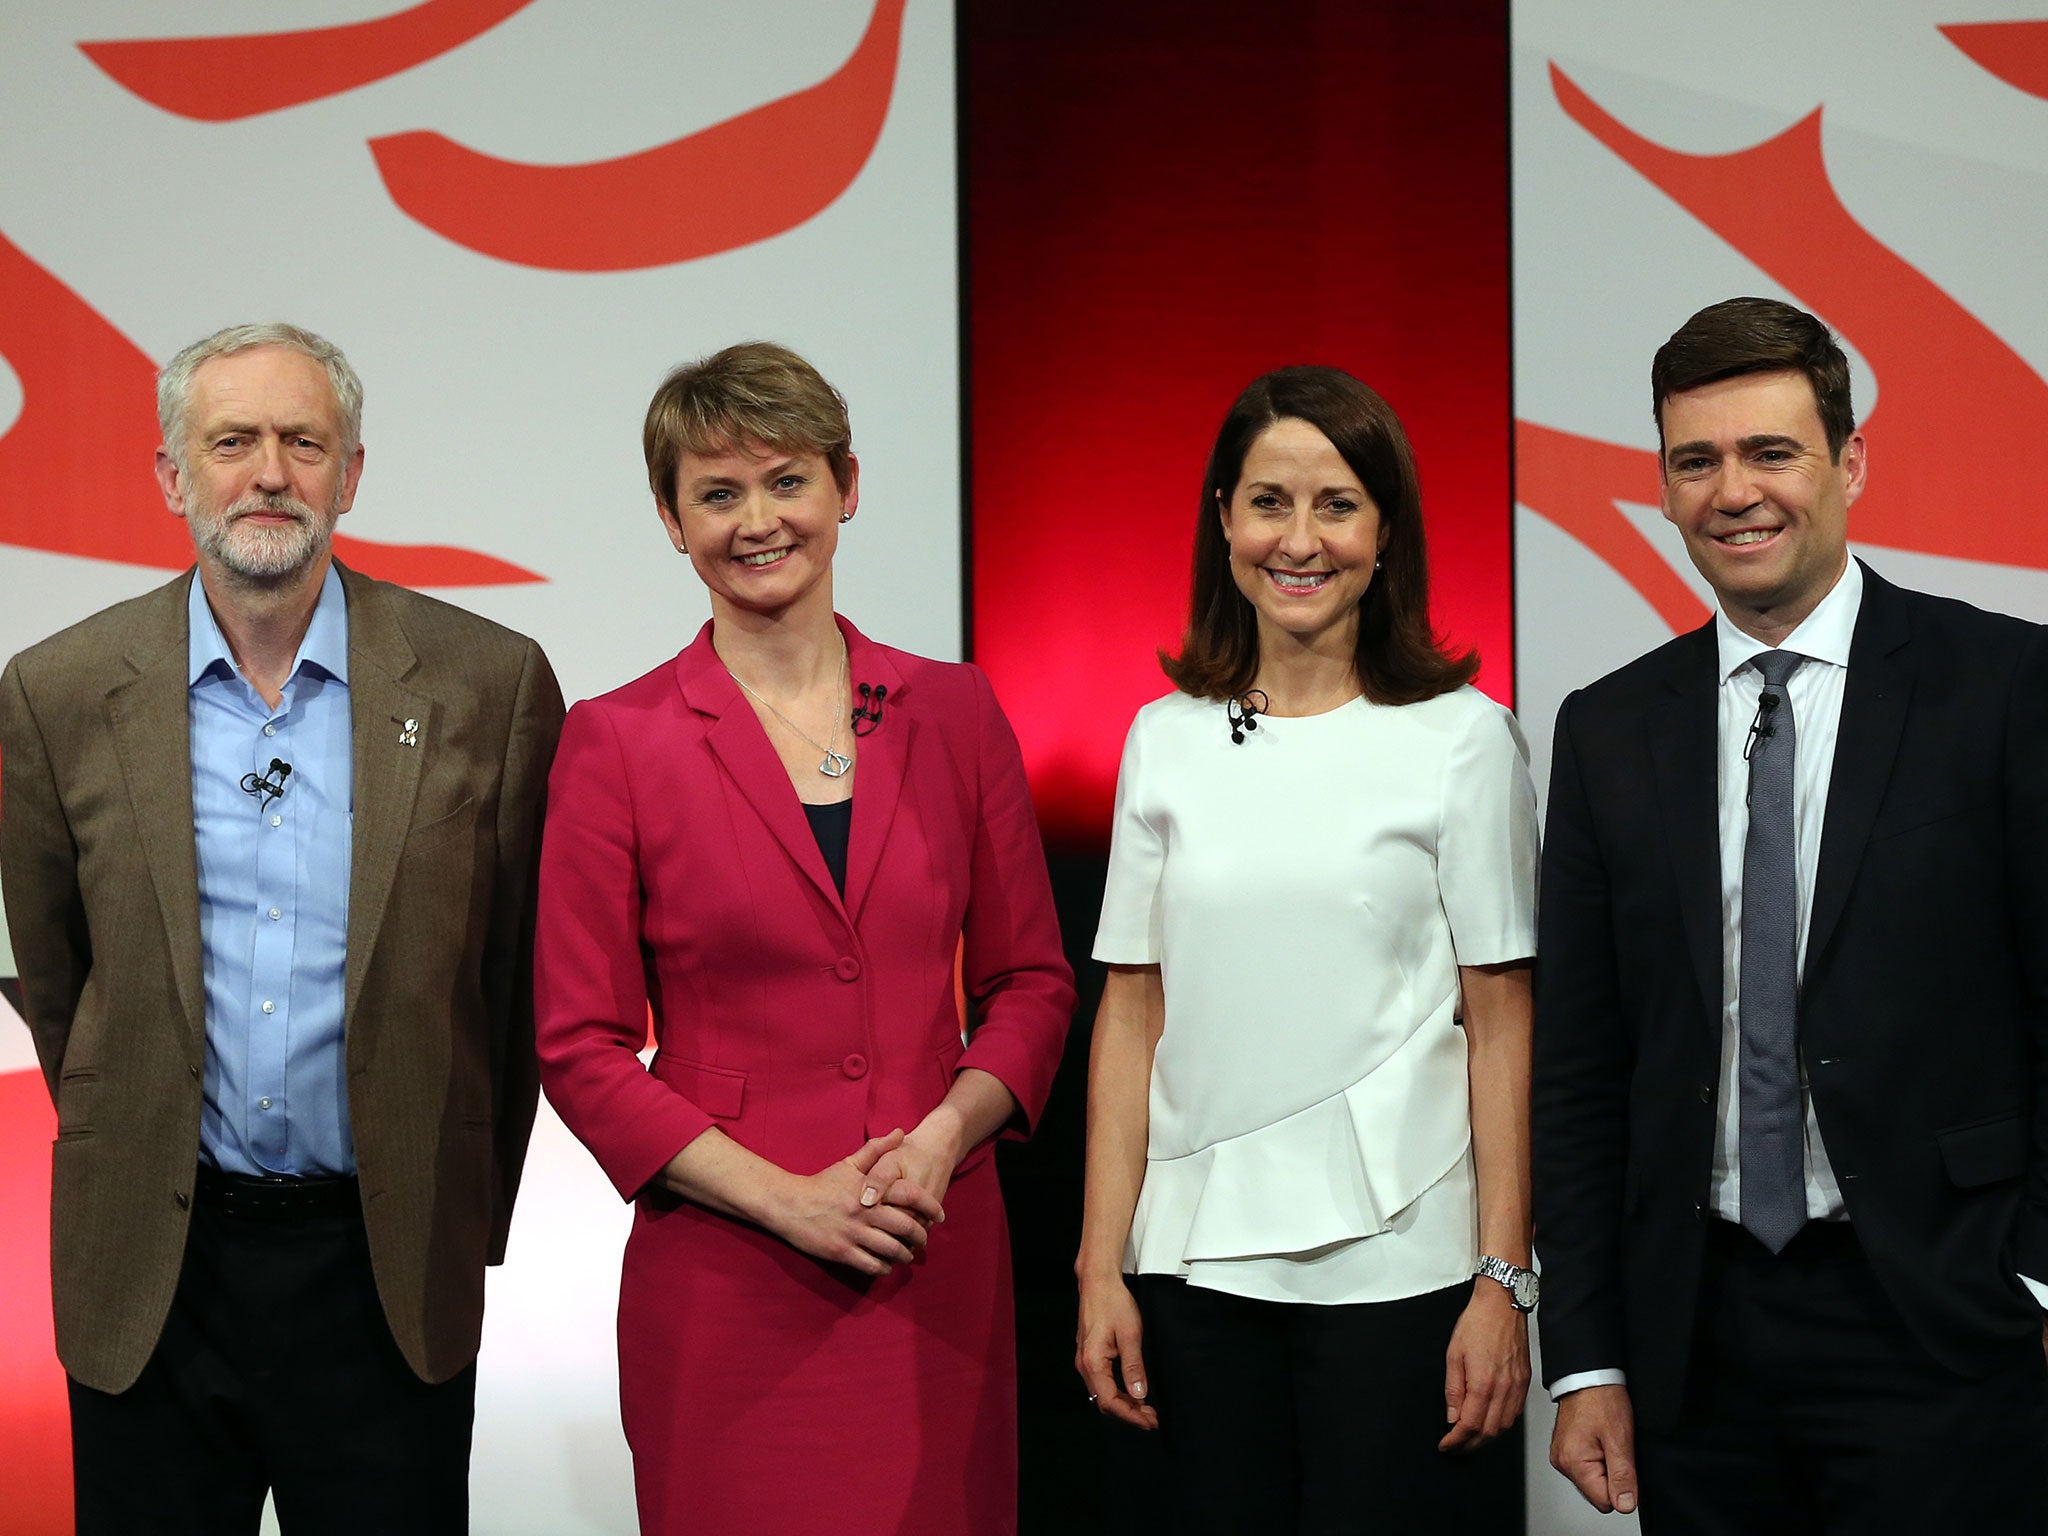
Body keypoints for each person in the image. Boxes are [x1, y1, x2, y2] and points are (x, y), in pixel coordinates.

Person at [0, 322, 564, 1533]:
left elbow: (511, 986)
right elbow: (61, 979)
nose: (270, 474)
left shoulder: (487, 682)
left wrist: (465, 1207)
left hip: (384, 1270)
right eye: (233, 441)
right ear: (171, 476)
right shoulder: (57, 692)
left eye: (304, 443)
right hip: (158, 1272)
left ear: (350, 473)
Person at [533, 341, 1074, 1536]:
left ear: (847, 486)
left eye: (786, 481)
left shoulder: (953, 710)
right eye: (716, 494)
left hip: (930, 1244)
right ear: (673, 524)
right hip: (728, 1271)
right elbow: (577, 1043)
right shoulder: (616, 740)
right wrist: (782, 1199)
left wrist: (942, 1138)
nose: (757, 520)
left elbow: (1030, 981)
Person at [1533, 296, 2048, 1532]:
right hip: (1693, 1339)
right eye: (1694, 460)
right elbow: (1581, 1069)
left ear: (1849, 462)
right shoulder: (1606, 730)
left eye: (1770, 452)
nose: (1733, 492)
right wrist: (1588, 1354)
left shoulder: (2004, 688)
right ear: (1660, 486)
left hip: (1946, 1321)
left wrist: (2034, 1278)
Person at [1074, 366, 1539, 1531]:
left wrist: (1504, 1278)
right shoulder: (1162, 738)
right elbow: (1130, 1016)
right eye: (1267, 502)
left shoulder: (1461, 740)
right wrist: (1097, 1267)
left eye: (1336, 505)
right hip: (1191, 1274)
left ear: (1386, 534)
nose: (1299, 538)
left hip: (1407, 1275)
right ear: (1222, 519)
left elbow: (1502, 1025)